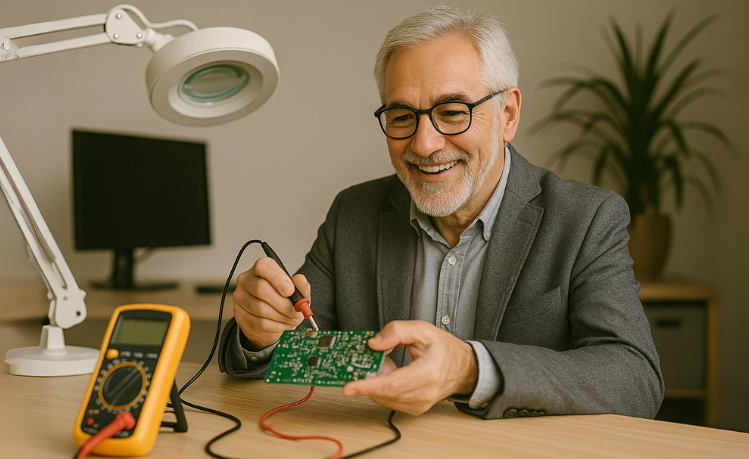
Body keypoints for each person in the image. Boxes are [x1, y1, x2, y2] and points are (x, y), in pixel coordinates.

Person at [218, 5, 664, 420]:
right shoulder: (352, 214)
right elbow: (308, 349)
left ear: (508, 114)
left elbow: (634, 377)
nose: (424, 144)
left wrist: (471, 368)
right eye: (401, 116)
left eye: (453, 112)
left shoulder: (587, 218)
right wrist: (262, 333)